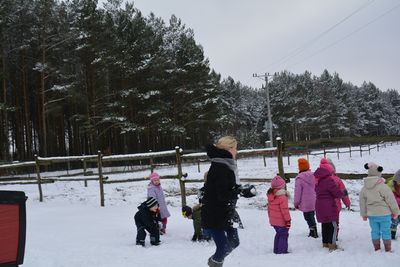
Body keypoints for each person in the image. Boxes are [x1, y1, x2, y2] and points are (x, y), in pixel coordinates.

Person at [201, 136, 240, 267]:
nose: (236, 151)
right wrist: (238, 192)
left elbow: (226, 188)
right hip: (215, 215)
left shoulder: (225, 164)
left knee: (234, 242)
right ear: (228, 149)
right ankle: (215, 263)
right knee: (222, 247)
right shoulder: (220, 167)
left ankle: (215, 261)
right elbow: (222, 195)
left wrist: (239, 189)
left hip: (226, 212)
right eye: (235, 148)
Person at [360, 162, 399, 252]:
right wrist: (395, 212)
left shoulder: (364, 188)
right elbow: (391, 200)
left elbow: (362, 202)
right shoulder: (383, 187)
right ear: (379, 172)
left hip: (372, 215)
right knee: (386, 231)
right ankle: (387, 249)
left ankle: (377, 248)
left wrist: (364, 214)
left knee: (374, 231)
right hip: (384, 214)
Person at [314, 163, 346, 251]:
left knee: (325, 224)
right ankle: (332, 245)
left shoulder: (317, 180)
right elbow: (335, 192)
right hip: (328, 205)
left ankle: (325, 243)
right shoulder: (328, 180)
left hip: (319, 205)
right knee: (333, 226)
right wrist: (343, 193)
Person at [323, 158, 351, 240]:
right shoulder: (338, 180)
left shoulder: (319, 180)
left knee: (325, 222)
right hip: (335, 206)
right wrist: (347, 203)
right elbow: (343, 193)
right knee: (335, 222)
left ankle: (327, 238)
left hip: (323, 206)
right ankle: (334, 237)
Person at [294, 158, 318, 238]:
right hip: (314, 200)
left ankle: (313, 231)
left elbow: (297, 192)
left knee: (307, 217)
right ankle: (313, 230)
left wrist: (296, 203)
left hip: (305, 202)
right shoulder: (314, 175)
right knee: (311, 215)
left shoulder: (299, 178)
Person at [267, 175, 291, 254]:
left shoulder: (271, 195)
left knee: (278, 234)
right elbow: (285, 211)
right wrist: (288, 220)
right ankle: (282, 251)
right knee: (284, 235)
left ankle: (276, 249)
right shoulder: (282, 197)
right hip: (281, 222)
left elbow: (269, 210)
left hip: (274, 221)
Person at [385, 169, 400, 240]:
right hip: (392, 209)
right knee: (394, 222)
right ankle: (392, 235)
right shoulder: (389, 187)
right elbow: (391, 200)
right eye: (399, 183)